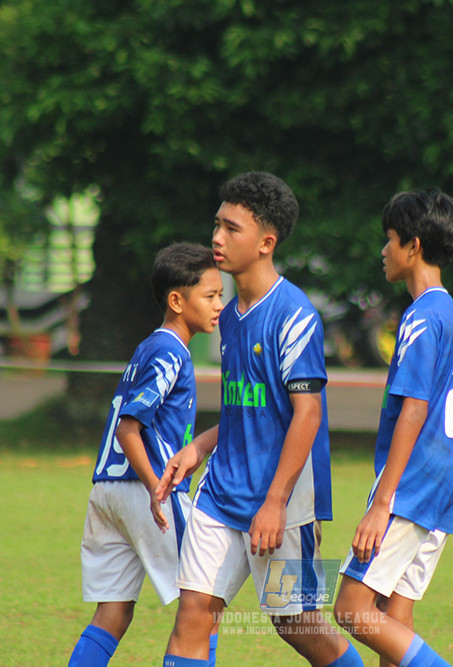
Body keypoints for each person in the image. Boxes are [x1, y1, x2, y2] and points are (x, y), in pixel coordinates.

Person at [156, 172, 361, 667]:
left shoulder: (294, 314)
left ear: (266, 242)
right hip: (221, 492)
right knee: (193, 614)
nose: (216, 238)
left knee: (297, 624)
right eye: (216, 225)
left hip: (284, 504)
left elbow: (306, 414)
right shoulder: (226, 315)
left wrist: (274, 502)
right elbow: (247, 407)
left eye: (231, 228)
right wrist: (200, 446)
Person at [332, 189, 453, 667]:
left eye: (389, 239)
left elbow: (414, 407)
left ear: (412, 246)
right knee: (396, 611)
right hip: (445, 479)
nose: (383, 250)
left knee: (352, 610)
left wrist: (382, 502)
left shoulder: (420, 318)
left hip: (411, 485)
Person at [68, 243, 224, 667]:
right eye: (210, 296)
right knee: (207, 601)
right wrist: (157, 487)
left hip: (107, 492)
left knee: (113, 611)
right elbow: (128, 427)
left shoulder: (149, 346)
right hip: (147, 491)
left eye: (220, 295)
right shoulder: (172, 351)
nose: (219, 306)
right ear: (177, 300)